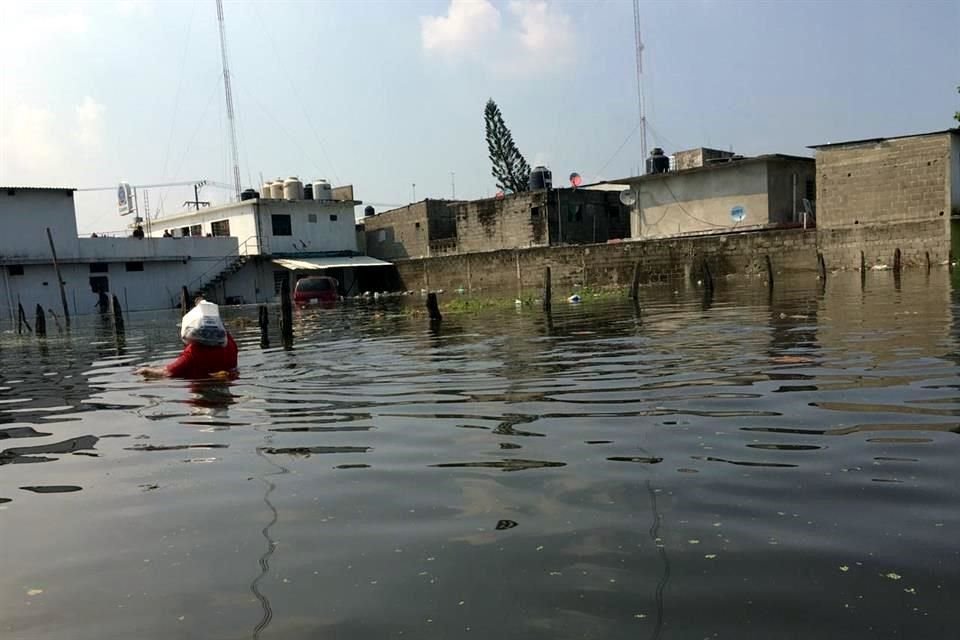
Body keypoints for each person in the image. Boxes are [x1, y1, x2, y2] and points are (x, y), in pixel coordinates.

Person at [136, 300, 238, 379]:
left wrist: (145, 370)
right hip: (225, 398)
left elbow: (167, 373)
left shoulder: (193, 353)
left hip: (202, 399)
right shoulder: (230, 344)